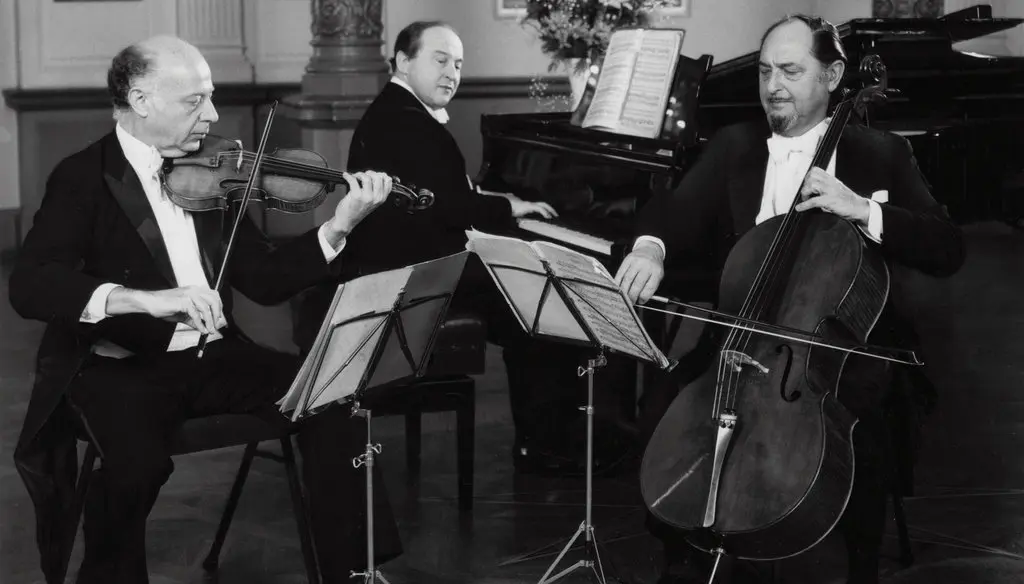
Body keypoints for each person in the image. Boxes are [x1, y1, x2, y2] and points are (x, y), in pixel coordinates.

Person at [10, 35, 403, 584]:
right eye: (194, 101)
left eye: (211, 97)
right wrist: (143, 300)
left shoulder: (214, 172)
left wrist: (340, 225)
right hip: (117, 366)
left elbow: (264, 279)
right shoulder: (81, 178)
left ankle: (355, 570)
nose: (213, 114)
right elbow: (31, 284)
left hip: (209, 357)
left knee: (330, 392)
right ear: (141, 99)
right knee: (135, 464)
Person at [614, 15, 965, 584]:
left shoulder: (880, 154)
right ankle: (683, 554)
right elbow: (671, 211)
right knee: (663, 406)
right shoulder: (735, 145)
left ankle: (857, 568)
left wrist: (864, 211)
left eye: (791, 71)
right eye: (765, 70)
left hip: (844, 351)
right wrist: (651, 248)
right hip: (740, 337)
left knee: (862, 422)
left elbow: (948, 248)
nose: (773, 84)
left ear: (832, 75)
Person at [295, 20, 636, 475]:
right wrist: (509, 212)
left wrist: (501, 206)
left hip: (417, 259)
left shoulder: (399, 111)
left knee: (531, 287)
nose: (452, 72)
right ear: (402, 61)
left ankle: (551, 435)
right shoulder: (408, 122)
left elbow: (447, 195)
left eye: (458, 63)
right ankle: (556, 440)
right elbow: (452, 206)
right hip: (416, 274)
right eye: (439, 60)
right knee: (538, 292)